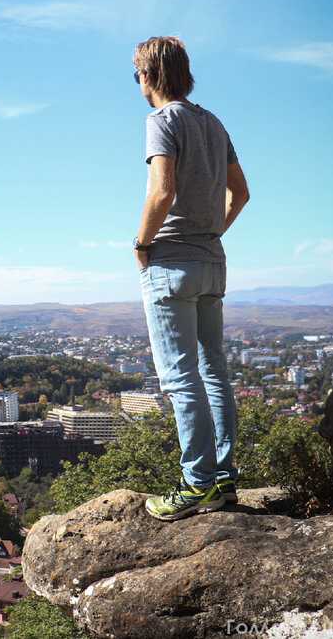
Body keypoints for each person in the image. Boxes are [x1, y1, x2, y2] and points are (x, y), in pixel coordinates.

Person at [132, 36, 250, 521]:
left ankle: (196, 484)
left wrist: (142, 244)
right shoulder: (212, 121)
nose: (137, 82)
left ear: (149, 75)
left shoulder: (161, 121)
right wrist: (209, 232)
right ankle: (223, 480)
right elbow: (240, 194)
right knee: (214, 371)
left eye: (136, 73)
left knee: (181, 379)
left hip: (171, 263)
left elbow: (163, 190)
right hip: (212, 259)